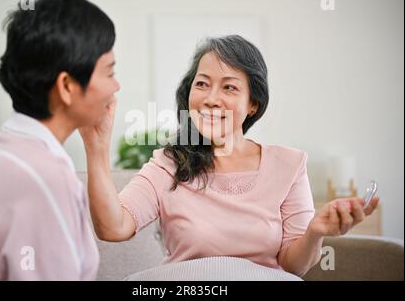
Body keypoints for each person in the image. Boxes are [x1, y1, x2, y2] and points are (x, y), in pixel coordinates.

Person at [80, 35, 379, 277]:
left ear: (253, 104)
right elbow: (113, 227)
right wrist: (97, 147)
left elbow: (292, 266)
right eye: (202, 84)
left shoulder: (289, 165)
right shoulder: (169, 163)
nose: (211, 99)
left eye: (229, 87)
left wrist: (315, 232)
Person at [0, 0, 120, 280]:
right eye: (109, 73)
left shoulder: (8, 149)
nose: (115, 86)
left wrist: (97, 145)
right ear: (67, 86)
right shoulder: (44, 178)